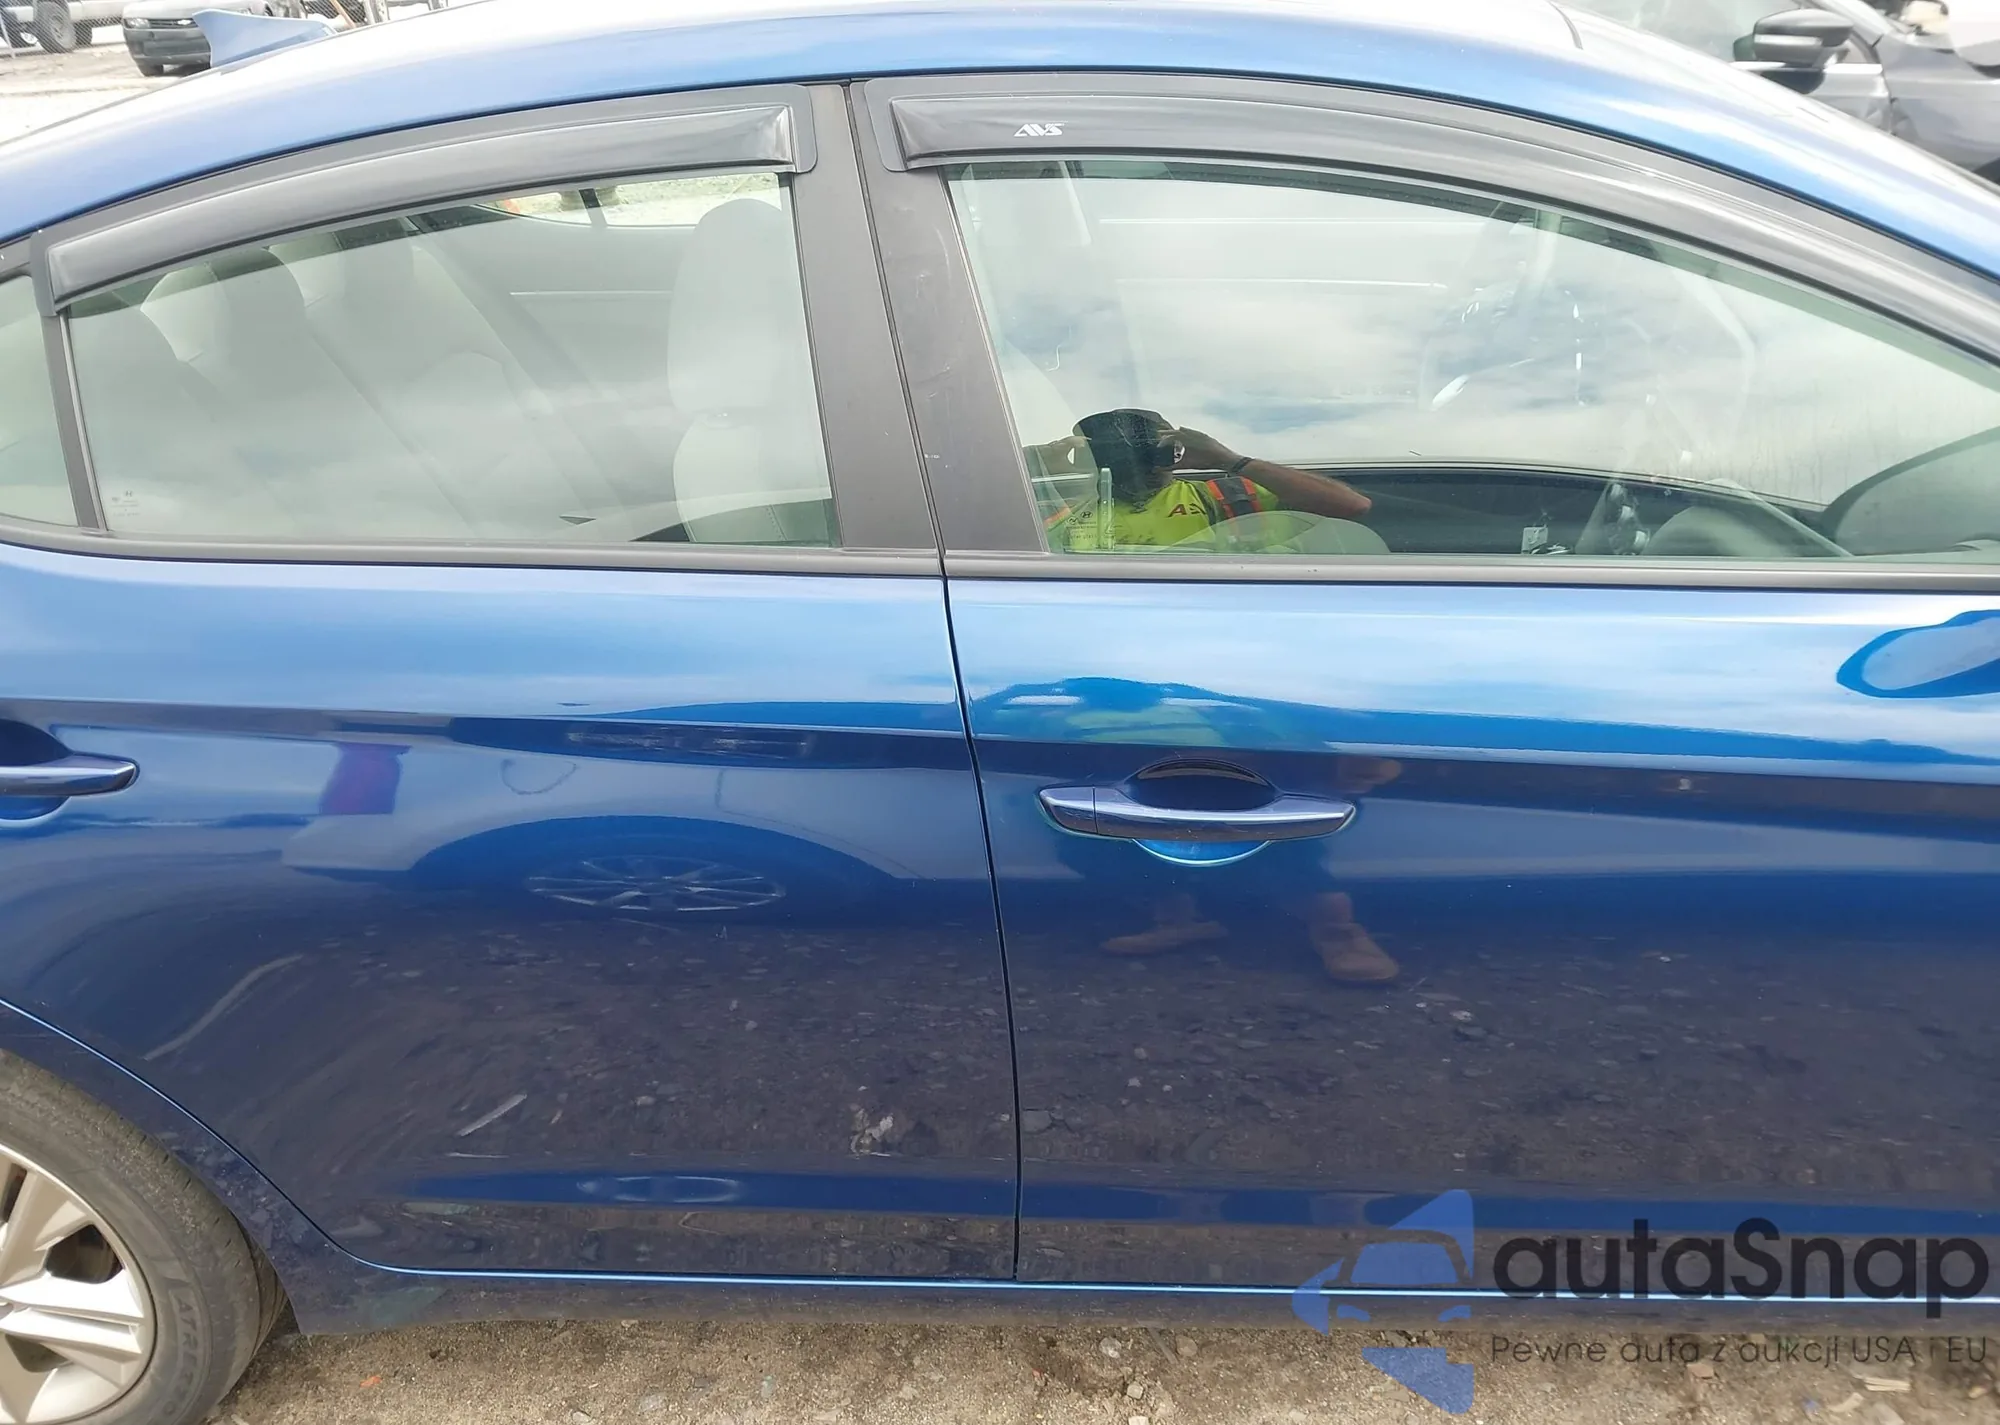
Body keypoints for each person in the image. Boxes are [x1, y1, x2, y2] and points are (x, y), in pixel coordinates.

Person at [1030, 407, 1373, 553]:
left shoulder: (1229, 496)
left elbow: (1351, 506)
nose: (1139, 463)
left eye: (1154, 448)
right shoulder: (1066, 515)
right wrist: (1042, 472)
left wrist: (1230, 460)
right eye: (1115, 453)